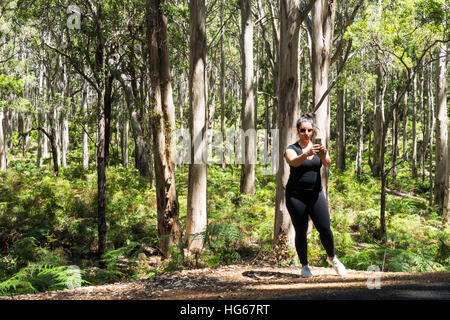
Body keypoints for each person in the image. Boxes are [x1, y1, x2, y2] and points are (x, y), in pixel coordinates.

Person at [284, 113, 347, 277]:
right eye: (303, 130)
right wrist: (306, 153)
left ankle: (332, 258)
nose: (306, 133)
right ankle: (305, 266)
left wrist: (323, 153)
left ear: (313, 131)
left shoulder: (317, 147)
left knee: (325, 228)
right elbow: (293, 162)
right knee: (301, 230)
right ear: (298, 131)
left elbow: (327, 163)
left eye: (309, 130)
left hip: (315, 194)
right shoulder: (291, 149)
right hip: (295, 196)